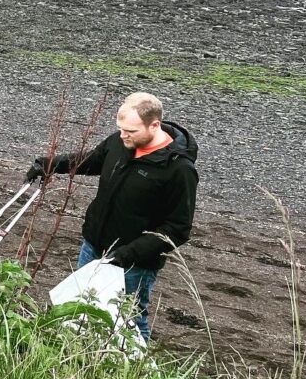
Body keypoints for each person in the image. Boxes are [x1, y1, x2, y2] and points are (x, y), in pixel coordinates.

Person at [26, 92, 198, 340]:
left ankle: (138, 374)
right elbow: (88, 161)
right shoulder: (120, 141)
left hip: (133, 265)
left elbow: (178, 228)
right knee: (81, 307)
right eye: (120, 129)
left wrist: (129, 253)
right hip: (93, 247)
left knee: (130, 323)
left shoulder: (179, 170)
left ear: (154, 125)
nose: (123, 135)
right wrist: (49, 164)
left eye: (130, 130)